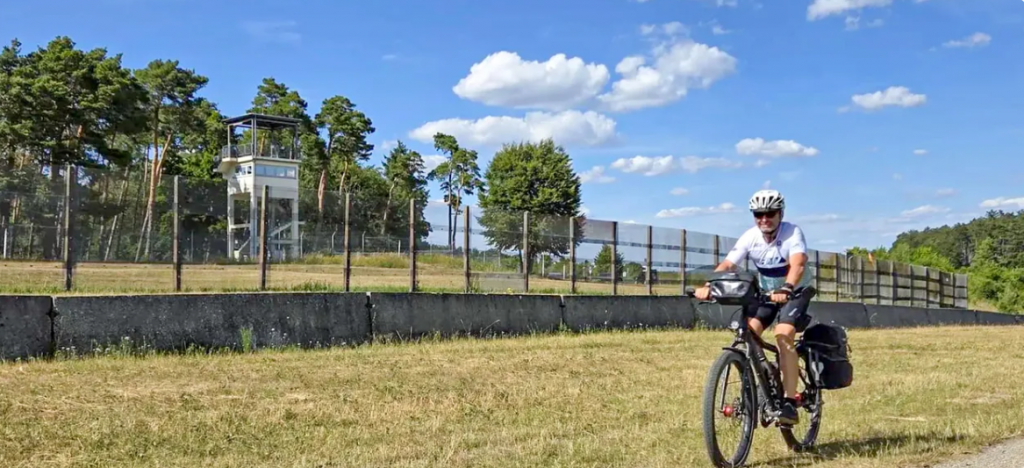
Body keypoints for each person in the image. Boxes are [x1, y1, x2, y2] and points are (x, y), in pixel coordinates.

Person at [694, 189, 811, 425]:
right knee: (749, 332)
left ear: (780, 214)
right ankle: (761, 385)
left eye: (770, 213)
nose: (764, 219)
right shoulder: (751, 236)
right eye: (759, 214)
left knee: (783, 335)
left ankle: (789, 403)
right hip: (767, 294)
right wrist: (709, 285)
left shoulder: (792, 232)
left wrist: (787, 287)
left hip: (795, 291)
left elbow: (798, 263)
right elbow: (728, 264)